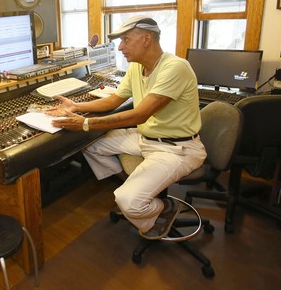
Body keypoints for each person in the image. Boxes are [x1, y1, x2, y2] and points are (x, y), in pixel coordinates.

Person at [46, 15, 207, 240]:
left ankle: (161, 208)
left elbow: (141, 114)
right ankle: (136, 190)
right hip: (147, 137)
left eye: (126, 40)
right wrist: (76, 106)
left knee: (127, 201)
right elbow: (114, 100)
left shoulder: (175, 67)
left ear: (146, 39)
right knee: (91, 145)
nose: (120, 47)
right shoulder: (137, 68)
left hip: (177, 148)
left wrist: (85, 123)